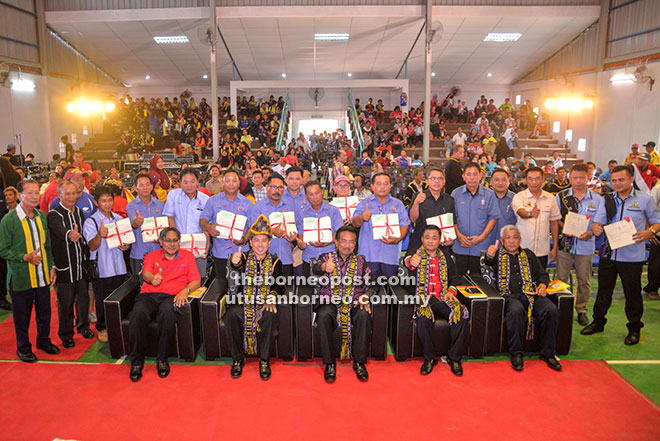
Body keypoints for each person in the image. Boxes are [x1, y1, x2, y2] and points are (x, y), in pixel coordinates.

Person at [582, 165, 660, 345]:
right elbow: (598, 221)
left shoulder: (645, 200)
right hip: (608, 254)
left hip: (632, 257)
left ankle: (634, 328)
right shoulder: (606, 199)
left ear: (631, 180)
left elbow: (657, 222)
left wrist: (650, 232)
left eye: (621, 180)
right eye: (614, 180)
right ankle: (598, 322)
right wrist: (595, 227)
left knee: (632, 294)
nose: (617, 183)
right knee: (603, 291)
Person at [127, 227, 201, 382]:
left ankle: (162, 359)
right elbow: (146, 273)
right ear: (161, 242)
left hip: (173, 296)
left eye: (175, 240)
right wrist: (151, 278)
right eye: (168, 240)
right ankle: (136, 362)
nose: (172, 244)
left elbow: (196, 280)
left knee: (166, 313)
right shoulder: (151, 256)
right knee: (137, 314)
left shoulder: (187, 256)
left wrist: (185, 291)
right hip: (149, 295)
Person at [484, 225, 561, 371]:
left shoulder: (529, 255)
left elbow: (542, 275)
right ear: (502, 240)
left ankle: (547, 353)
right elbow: (487, 262)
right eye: (508, 238)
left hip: (531, 294)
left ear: (520, 239)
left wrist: (543, 285)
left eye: (515, 237)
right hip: (508, 296)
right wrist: (489, 255)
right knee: (516, 310)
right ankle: (517, 353)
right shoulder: (497, 255)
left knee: (550, 309)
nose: (511, 241)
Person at [0, 180, 59, 362]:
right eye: (30, 193)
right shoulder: (9, 220)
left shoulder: (42, 216)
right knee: (22, 316)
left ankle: (43, 340)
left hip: (41, 276)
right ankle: (23, 347)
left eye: (36, 193)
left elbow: (47, 246)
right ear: (20, 196)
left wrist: (52, 266)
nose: (35, 197)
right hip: (20, 278)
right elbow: (2, 249)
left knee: (45, 312)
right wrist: (25, 257)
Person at [402, 225, 468, 376]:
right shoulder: (416, 254)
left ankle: (454, 358)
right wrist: (410, 261)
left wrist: (451, 292)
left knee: (462, 313)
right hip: (423, 298)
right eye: (427, 237)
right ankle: (430, 358)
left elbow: (455, 278)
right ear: (421, 239)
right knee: (424, 317)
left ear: (439, 240)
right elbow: (406, 262)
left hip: (443, 297)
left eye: (434, 238)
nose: (430, 241)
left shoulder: (446, 256)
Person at [312, 225, 375, 383]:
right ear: (336, 242)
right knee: (323, 315)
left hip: (354, 301)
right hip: (330, 300)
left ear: (355, 244)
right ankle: (330, 364)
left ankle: (359, 362)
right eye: (344, 241)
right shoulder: (326, 257)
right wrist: (323, 267)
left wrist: (366, 296)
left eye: (351, 242)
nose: (347, 245)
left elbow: (372, 284)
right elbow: (314, 268)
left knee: (363, 314)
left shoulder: (361, 262)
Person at [225, 215, 285, 381]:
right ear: (250, 242)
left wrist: (272, 297)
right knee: (231, 314)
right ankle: (237, 359)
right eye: (256, 240)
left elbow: (280, 286)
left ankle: (264, 360)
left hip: (265, 302)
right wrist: (235, 262)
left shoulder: (276, 262)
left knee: (270, 316)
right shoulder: (243, 257)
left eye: (263, 240)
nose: (260, 244)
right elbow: (235, 265)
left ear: (269, 243)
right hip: (245, 301)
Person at [47, 181, 95, 348]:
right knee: (65, 303)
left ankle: (83, 327)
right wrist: (70, 235)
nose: (71, 197)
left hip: (80, 265)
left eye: (74, 193)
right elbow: (59, 230)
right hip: (64, 266)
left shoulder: (79, 213)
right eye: (67, 194)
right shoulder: (54, 214)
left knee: (82, 299)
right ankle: (66, 334)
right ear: (59, 195)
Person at [555, 164, 602, 326]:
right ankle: (561, 307)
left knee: (584, 279)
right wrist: (564, 228)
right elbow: (555, 219)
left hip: (586, 244)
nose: (578, 181)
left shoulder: (597, 199)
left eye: (582, 177)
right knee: (561, 278)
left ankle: (581, 309)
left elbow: (599, 222)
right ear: (570, 178)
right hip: (565, 243)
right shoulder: (561, 197)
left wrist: (590, 233)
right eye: (575, 177)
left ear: (588, 178)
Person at [83, 185, 130, 343]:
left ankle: (119, 325)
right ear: (96, 203)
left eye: (110, 200)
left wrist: (125, 246)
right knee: (102, 300)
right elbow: (92, 246)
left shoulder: (119, 219)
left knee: (120, 298)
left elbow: (127, 243)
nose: (107, 203)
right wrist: (100, 235)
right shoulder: (91, 222)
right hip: (102, 268)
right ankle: (102, 328)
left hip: (119, 267)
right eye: (103, 201)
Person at [352, 173, 410, 278]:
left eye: (385, 184)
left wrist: (397, 239)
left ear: (390, 186)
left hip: (390, 256)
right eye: (379, 184)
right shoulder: (364, 203)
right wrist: (362, 217)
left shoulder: (398, 204)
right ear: (372, 186)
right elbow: (355, 223)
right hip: (369, 255)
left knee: (389, 290)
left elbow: (405, 225)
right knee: (368, 290)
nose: (382, 187)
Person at [200, 169, 252, 281]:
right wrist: (209, 227)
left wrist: (244, 239)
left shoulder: (247, 203)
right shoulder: (213, 201)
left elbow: (252, 226)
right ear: (222, 183)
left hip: (241, 251)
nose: (231, 184)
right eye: (228, 181)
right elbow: (202, 220)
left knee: (241, 284)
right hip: (220, 252)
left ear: (239, 183)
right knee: (221, 285)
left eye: (234, 181)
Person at [451, 163, 500, 276]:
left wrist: (481, 237)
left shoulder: (489, 195)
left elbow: (493, 218)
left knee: (479, 283)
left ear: (481, 176)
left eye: (475, 174)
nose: (472, 178)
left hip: (481, 247)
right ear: (464, 176)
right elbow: (452, 217)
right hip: (460, 246)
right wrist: (458, 235)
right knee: (458, 280)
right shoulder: (455, 194)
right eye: (469, 174)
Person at [163, 168, 210, 279]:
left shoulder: (206, 199)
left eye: (192, 181)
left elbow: (206, 225)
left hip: (198, 245)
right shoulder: (173, 195)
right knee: (178, 279)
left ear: (198, 182)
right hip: (179, 245)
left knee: (198, 278)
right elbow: (170, 218)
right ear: (180, 183)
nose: (189, 185)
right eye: (185, 182)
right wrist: (174, 241)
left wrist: (207, 245)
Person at [511, 167, 561, 269]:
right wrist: (530, 214)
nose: (534, 182)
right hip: (522, 249)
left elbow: (554, 223)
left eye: (537, 178)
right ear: (526, 180)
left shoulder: (550, 198)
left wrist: (555, 247)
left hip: (542, 250)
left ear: (543, 180)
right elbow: (521, 212)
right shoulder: (519, 197)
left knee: (540, 281)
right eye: (530, 179)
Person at [248, 175, 297, 277]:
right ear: (267, 188)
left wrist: (293, 238)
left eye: (280, 188)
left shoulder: (289, 207)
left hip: (286, 257)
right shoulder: (258, 207)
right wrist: (271, 231)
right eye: (274, 187)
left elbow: (294, 227)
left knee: (285, 290)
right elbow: (253, 231)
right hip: (263, 258)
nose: (277, 191)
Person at [295, 181, 344, 276]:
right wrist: (301, 243)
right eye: (311, 194)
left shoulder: (333, 210)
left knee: (329, 289)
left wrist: (328, 242)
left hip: (330, 257)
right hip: (309, 257)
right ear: (306, 196)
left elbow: (340, 232)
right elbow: (300, 235)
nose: (315, 197)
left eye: (317, 193)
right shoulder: (302, 213)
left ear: (322, 192)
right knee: (309, 288)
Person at [126, 173, 165, 281]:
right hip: (139, 254)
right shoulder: (131, 205)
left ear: (152, 187)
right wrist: (136, 222)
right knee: (140, 288)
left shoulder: (160, 205)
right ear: (135, 188)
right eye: (141, 185)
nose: (145, 188)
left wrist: (163, 237)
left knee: (160, 285)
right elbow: (133, 224)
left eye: (147, 184)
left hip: (159, 253)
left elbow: (165, 227)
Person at [408, 168, 454, 253]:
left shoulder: (449, 200)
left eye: (440, 178)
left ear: (444, 181)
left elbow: (452, 222)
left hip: (442, 245)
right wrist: (416, 203)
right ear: (427, 181)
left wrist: (451, 239)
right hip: (420, 244)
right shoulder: (418, 196)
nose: (436, 181)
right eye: (433, 178)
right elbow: (412, 219)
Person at [489, 168, 517, 244]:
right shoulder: (485, 198)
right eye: (497, 180)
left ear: (509, 181)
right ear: (491, 182)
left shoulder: (516, 199)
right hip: (488, 244)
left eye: (504, 180)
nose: (500, 183)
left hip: (509, 244)